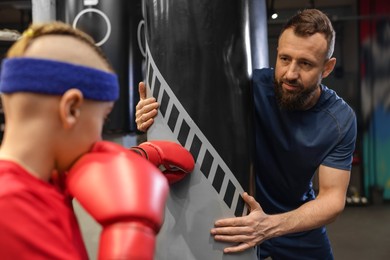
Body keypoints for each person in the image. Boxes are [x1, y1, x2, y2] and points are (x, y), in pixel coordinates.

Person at [135, 8, 357, 260]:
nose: (291, 73)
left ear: (327, 68)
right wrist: (153, 116)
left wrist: (269, 226)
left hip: (294, 219)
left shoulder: (339, 119)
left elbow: (332, 199)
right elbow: (191, 109)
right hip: (236, 215)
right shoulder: (249, 88)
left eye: (305, 64)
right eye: (285, 59)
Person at [0, 22, 193, 259]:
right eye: (102, 118)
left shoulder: (42, 179)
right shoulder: (12, 210)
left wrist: (141, 155)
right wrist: (130, 232)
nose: (97, 138)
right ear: (71, 109)